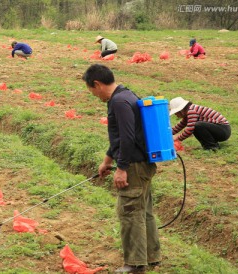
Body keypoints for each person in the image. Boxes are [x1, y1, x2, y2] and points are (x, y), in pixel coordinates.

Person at [82, 64, 161, 273]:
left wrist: (121, 168)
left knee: (129, 212)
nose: (93, 95)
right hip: (142, 163)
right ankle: (151, 256)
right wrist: (107, 160)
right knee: (144, 211)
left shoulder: (118, 102)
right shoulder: (126, 94)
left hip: (134, 166)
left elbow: (128, 137)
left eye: (91, 90)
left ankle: (135, 264)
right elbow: (119, 137)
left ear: (97, 84)